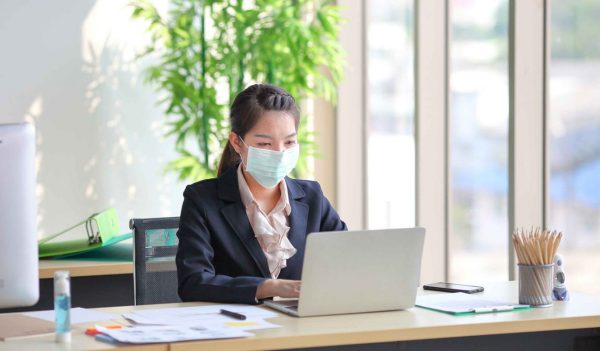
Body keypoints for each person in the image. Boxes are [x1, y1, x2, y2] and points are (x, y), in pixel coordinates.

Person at [176, 84, 347, 304]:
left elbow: (347, 260)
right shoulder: (202, 200)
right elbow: (193, 282)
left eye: (289, 142)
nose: (279, 153)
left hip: (304, 327)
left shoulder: (312, 197)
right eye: (265, 143)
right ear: (237, 142)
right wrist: (267, 287)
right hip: (236, 329)